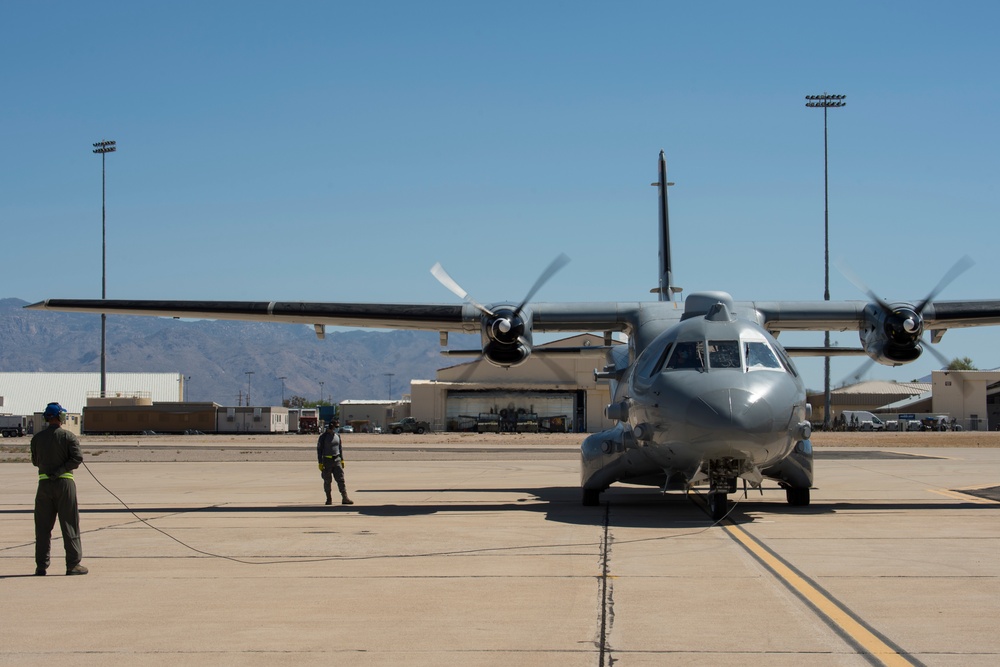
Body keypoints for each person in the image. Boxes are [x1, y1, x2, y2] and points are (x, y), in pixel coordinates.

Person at [30, 402, 87, 576]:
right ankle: (73, 564)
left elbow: (35, 461)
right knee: (69, 524)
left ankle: (41, 566)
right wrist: (60, 470)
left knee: (42, 528)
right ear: (60, 417)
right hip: (64, 484)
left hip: (44, 485)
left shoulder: (37, 438)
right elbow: (77, 458)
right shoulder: (68, 437)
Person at [317, 419, 353, 505]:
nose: (335, 429)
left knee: (341, 480)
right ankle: (328, 499)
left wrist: (342, 459)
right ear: (330, 426)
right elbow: (319, 450)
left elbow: (340, 448)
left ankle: (345, 498)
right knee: (327, 481)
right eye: (334, 427)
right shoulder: (323, 437)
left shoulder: (337, 436)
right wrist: (320, 462)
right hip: (327, 461)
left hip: (337, 460)